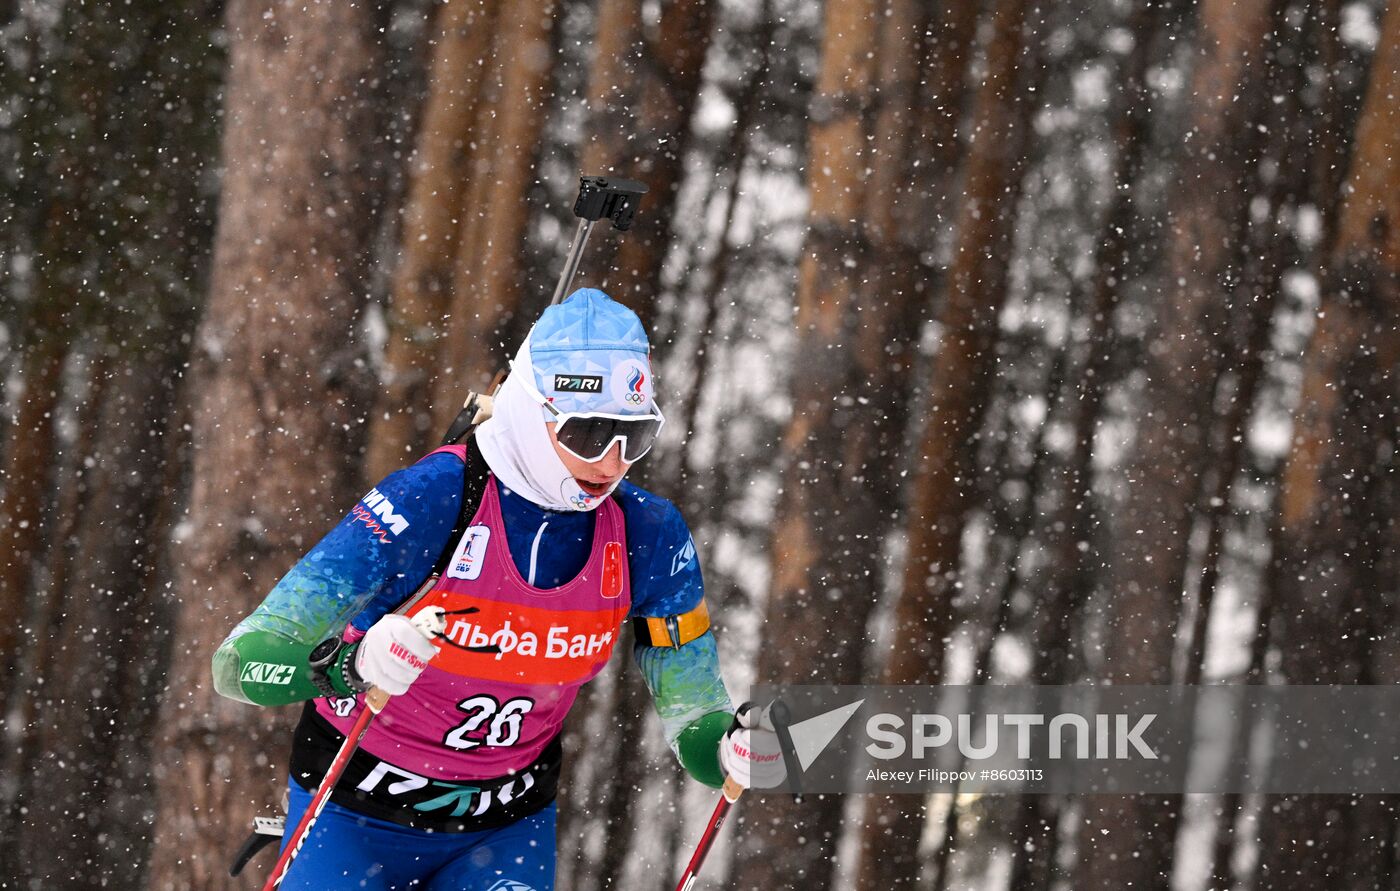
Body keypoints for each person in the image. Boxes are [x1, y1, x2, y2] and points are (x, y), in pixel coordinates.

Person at [212, 288, 785, 891]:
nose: (612, 461)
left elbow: (693, 707)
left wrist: (725, 749)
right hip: (349, 812)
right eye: (588, 432)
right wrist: (351, 665)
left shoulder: (648, 534)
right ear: (531, 413)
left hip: (501, 830)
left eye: (633, 436)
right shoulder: (431, 499)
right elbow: (240, 664)